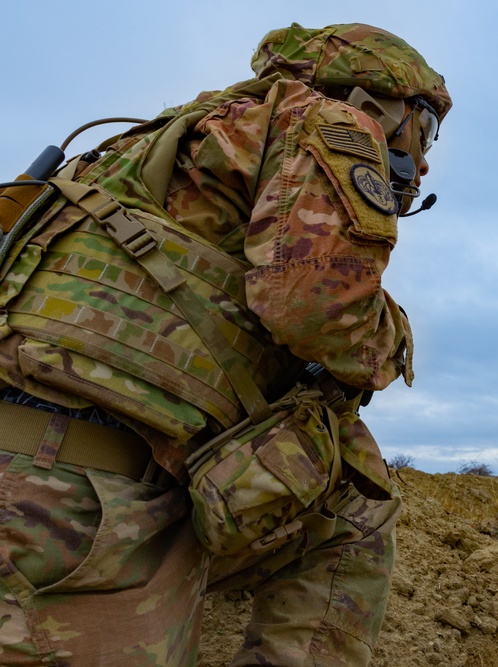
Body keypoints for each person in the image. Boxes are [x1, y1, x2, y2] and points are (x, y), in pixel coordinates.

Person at [0, 23, 450, 666]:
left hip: (56, 470)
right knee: (356, 501)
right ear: (372, 101)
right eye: (423, 129)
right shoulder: (328, 123)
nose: (425, 160)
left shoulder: (148, 145)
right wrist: (391, 338)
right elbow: (319, 308)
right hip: (80, 506)